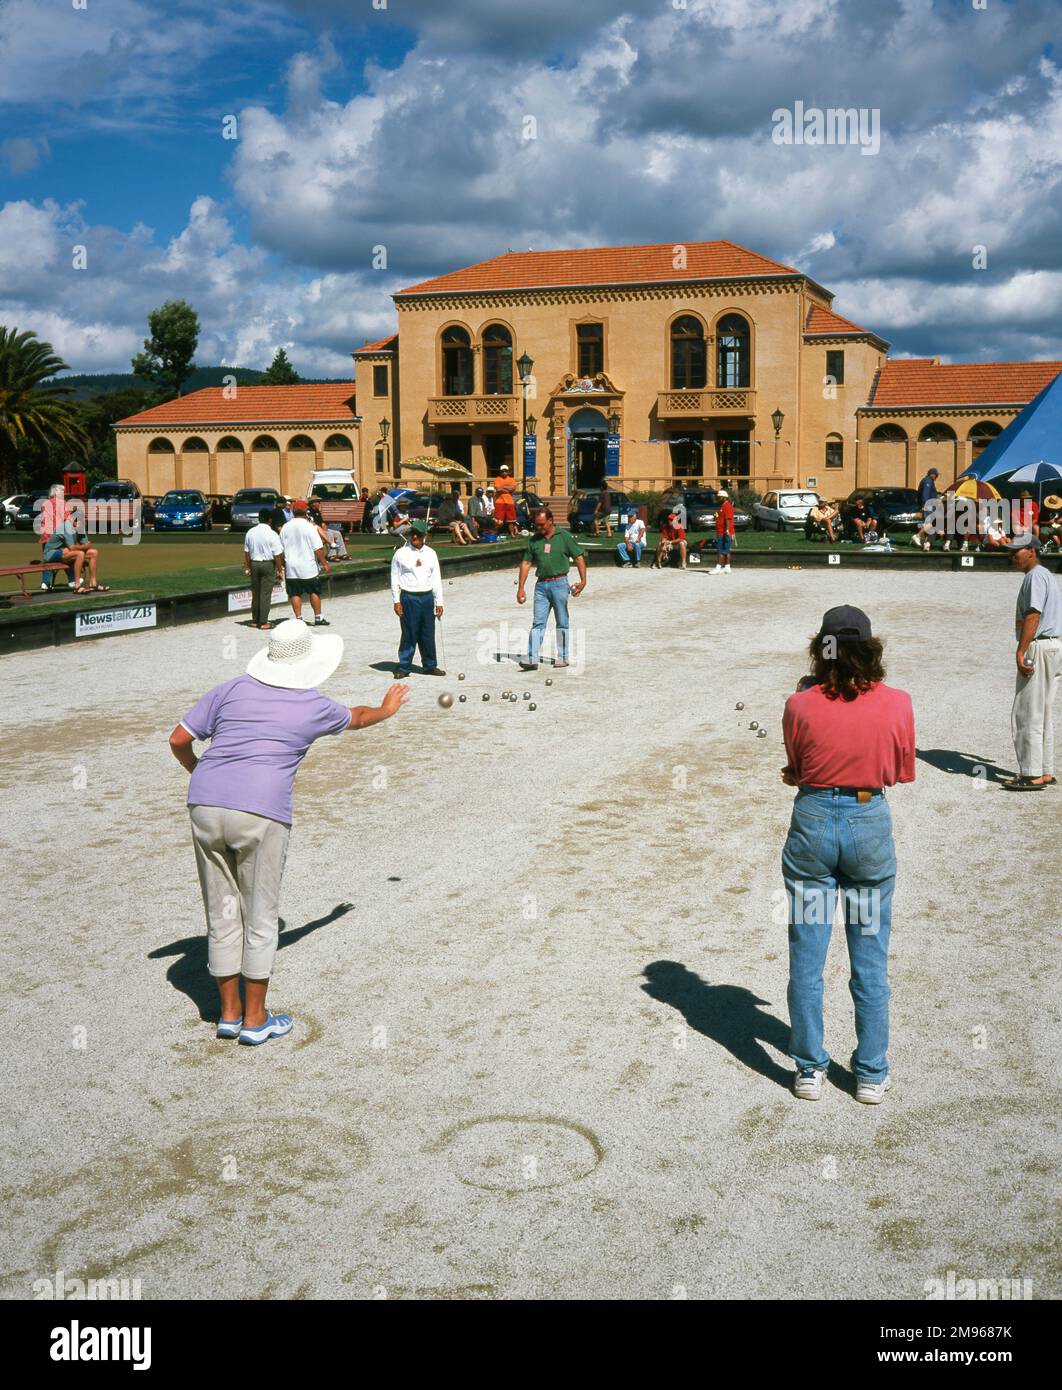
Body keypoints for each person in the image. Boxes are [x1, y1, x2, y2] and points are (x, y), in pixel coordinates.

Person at [168, 620, 408, 1044]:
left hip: (203, 805)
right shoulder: (311, 705)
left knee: (223, 913)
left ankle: (228, 1014)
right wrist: (387, 708)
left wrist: (199, 772)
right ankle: (256, 1021)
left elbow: (177, 739)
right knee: (261, 917)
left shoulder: (229, 689)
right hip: (259, 811)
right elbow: (357, 717)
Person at [780, 605, 915, 1104]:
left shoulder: (800, 703)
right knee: (870, 960)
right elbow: (900, 772)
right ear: (870, 650)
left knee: (807, 958)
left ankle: (810, 1069)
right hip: (867, 825)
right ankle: (871, 1073)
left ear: (823, 649)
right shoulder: (898, 702)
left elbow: (795, 767)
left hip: (813, 825)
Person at [1004, 534, 1062, 790]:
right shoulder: (1047, 574)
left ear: (1032, 550)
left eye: (1017, 550)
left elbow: (1033, 615)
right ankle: (1044, 770)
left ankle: (1031, 774)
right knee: (1044, 712)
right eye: (1010, 551)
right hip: (1053, 646)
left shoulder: (1035, 576)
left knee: (1028, 711)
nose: (1012, 555)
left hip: (1039, 647)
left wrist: (1021, 650)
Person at [517, 507, 586, 671]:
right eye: (536, 525)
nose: (539, 528)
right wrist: (521, 588)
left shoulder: (564, 537)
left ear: (550, 520)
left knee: (562, 621)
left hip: (560, 583)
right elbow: (526, 563)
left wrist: (583, 581)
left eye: (541, 524)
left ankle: (562, 657)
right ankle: (532, 658)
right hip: (541, 585)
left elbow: (578, 557)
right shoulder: (534, 540)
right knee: (538, 622)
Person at [390, 519, 445, 676]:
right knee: (409, 632)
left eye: (418, 534)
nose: (414, 537)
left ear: (424, 536)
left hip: (427, 597)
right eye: (412, 534)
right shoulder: (400, 554)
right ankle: (404, 666)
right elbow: (394, 579)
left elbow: (436, 579)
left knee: (428, 632)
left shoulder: (431, 553)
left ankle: (430, 665)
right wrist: (396, 601)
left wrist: (439, 602)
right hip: (409, 597)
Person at [280, 500, 331, 625]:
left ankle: (298, 618)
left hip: (291, 565)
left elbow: (280, 549)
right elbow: (317, 548)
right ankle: (318, 617)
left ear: (293, 511)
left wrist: (281, 565)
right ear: (305, 511)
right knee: (314, 591)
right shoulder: (309, 527)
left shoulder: (285, 527)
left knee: (294, 593)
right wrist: (324, 563)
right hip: (308, 565)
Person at [243, 507, 285, 629]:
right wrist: (280, 569)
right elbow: (277, 555)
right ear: (270, 520)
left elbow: (246, 552)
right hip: (268, 564)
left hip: (254, 563)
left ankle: (255, 620)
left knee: (255, 593)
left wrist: (248, 567)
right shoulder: (272, 534)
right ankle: (263, 621)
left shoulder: (250, 532)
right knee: (265, 593)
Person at [911, 468, 940, 549]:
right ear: (933, 474)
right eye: (936, 475)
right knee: (929, 524)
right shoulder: (928, 481)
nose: (936, 477)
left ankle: (927, 544)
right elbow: (925, 494)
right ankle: (917, 535)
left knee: (929, 525)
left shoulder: (927, 481)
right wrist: (925, 505)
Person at [711, 487, 735, 574]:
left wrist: (727, 530)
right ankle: (727, 567)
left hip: (724, 532)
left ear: (724, 497)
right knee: (726, 549)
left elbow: (728, 519)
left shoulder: (727, 506)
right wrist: (716, 516)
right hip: (722, 531)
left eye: (719, 497)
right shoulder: (723, 506)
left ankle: (718, 567)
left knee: (721, 550)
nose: (717, 499)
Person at [491, 463, 519, 537]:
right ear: (500, 472)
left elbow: (512, 489)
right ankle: (495, 533)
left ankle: (512, 533)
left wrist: (503, 487)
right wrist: (507, 488)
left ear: (508, 471)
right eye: (502, 471)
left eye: (505, 471)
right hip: (499, 502)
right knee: (498, 520)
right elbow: (498, 489)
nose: (504, 472)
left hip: (509, 502)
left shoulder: (511, 479)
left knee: (511, 520)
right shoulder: (497, 479)